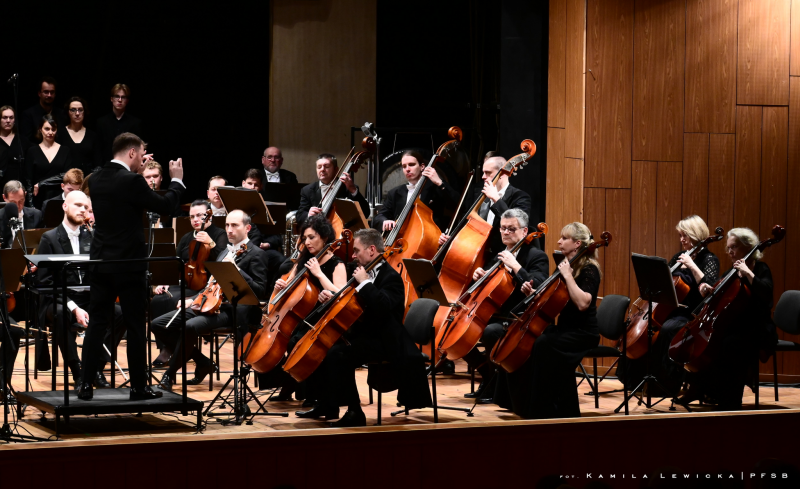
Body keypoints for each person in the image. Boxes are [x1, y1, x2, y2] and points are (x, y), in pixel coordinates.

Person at [77, 132, 185, 401]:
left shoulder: (97, 178)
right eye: (141, 154)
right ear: (133, 153)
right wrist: (177, 180)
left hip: (101, 264)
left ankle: (84, 385)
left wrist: (136, 165)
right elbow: (166, 205)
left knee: (97, 325)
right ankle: (138, 387)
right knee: (136, 326)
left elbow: (121, 175)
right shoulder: (133, 181)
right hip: (129, 265)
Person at [295, 228, 431, 427]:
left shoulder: (390, 277)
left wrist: (366, 284)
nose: (353, 255)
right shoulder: (362, 271)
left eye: (357, 250)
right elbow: (353, 303)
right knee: (324, 348)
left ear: (372, 250)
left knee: (339, 354)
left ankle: (354, 411)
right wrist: (332, 298)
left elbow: (383, 309)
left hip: (386, 340)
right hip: (366, 333)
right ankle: (327, 404)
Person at [153, 210, 270, 391]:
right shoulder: (224, 252)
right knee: (158, 324)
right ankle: (203, 361)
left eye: (234, 225)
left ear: (247, 228)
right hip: (209, 303)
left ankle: (169, 376)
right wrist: (191, 300)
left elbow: (260, 291)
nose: (229, 230)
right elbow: (210, 285)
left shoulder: (257, 254)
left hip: (232, 310)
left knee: (190, 326)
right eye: (227, 225)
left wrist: (237, 271)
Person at [679, 227, 776, 411]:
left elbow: (767, 295)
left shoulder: (760, 269)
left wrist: (747, 272)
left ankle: (730, 399)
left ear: (748, 248)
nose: (730, 251)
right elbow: (717, 294)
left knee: (731, 344)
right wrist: (707, 289)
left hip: (757, 327)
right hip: (733, 325)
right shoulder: (732, 271)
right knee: (712, 341)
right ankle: (702, 389)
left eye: (734, 247)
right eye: (729, 247)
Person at [458, 209, 549, 403]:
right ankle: (488, 376)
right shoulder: (499, 256)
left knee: (490, 332)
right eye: (503, 228)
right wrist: (481, 277)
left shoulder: (536, 255)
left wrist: (516, 267)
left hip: (517, 319)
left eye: (511, 229)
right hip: (494, 313)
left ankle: (495, 386)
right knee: (458, 331)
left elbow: (540, 285)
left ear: (524, 232)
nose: (506, 233)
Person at [622, 216, 720, 394]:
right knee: (644, 331)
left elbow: (709, 293)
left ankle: (665, 384)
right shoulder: (678, 257)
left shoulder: (709, 260)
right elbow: (664, 283)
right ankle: (634, 380)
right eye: (681, 235)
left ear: (696, 235)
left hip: (690, 313)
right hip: (668, 308)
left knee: (668, 329)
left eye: (685, 235)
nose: (682, 239)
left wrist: (692, 267)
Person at [36, 191, 125, 386]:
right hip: (60, 299)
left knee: (120, 313)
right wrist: (74, 307)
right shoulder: (49, 238)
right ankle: (77, 371)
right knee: (60, 315)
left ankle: (94, 369)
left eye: (86, 207)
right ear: (65, 206)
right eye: (78, 205)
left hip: (89, 297)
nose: (83, 210)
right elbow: (46, 282)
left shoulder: (92, 236)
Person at [515, 222, 601, 419]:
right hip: (565, 329)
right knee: (536, 340)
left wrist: (569, 277)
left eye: (564, 238)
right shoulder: (566, 264)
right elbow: (552, 296)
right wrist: (533, 293)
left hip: (583, 333)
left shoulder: (590, 269)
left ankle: (546, 410)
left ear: (577, 243)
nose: (559, 241)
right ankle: (545, 408)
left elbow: (582, 304)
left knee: (544, 344)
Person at [258, 215, 347, 401]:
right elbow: (281, 296)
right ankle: (287, 386)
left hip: (322, 318)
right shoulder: (302, 261)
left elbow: (341, 295)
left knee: (294, 341)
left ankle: (307, 393)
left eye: (312, 237)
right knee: (273, 340)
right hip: (299, 316)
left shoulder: (336, 264)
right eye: (304, 238)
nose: (307, 242)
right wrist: (277, 288)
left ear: (324, 237)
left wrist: (319, 274)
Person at [150, 199, 228, 365]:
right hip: (186, 283)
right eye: (192, 216)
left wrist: (210, 243)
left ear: (209, 216)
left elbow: (223, 261)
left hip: (206, 287)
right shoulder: (186, 237)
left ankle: (175, 348)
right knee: (158, 299)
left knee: (174, 300)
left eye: (200, 215)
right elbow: (176, 263)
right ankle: (166, 347)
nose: (195, 219)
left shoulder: (219, 234)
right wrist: (166, 282)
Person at [438, 152, 532, 255]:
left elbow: (516, 224)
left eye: (488, 173)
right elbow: (469, 224)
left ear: (503, 174)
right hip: (475, 252)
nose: (483, 177)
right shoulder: (479, 194)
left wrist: (496, 199)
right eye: (483, 172)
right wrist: (453, 239)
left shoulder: (520, 197)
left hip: (501, 256)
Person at [372, 149, 458, 232]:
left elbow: (457, 205)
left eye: (411, 164)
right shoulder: (395, 193)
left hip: (429, 238)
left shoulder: (434, 188)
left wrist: (440, 183)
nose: (407, 169)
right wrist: (384, 221)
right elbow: (379, 217)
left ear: (422, 167)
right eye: (404, 166)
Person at [296, 153, 369, 226]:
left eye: (326, 167)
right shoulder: (307, 190)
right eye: (319, 167)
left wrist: (353, 190)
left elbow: (365, 213)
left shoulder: (348, 188)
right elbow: (299, 216)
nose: (322, 170)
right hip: (317, 233)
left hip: (342, 232)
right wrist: (309, 215)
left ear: (336, 170)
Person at [27, 114, 73, 208]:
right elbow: (28, 181)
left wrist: (42, 183)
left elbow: (67, 176)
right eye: (47, 129)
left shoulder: (65, 150)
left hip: (60, 198)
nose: (50, 132)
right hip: (38, 199)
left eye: (53, 129)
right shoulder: (32, 151)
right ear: (40, 129)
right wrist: (31, 207)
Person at [96, 84, 143, 160]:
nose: (120, 100)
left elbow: (137, 147)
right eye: (117, 96)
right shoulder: (101, 122)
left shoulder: (135, 123)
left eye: (123, 97)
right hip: (107, 166)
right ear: (111, 99)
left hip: (127, 167)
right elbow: (98, 149)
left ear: (127, 101)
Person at [58, 97, 102, 175]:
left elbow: (98, 163)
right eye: (73, 110)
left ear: (84, 112)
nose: (77, 113)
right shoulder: (60, 134)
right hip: (66, 181)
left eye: (80, 110)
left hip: (87, 181)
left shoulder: (92, 136)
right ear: (68, 112)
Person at [19, 77, 67, 143]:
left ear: (55, 94)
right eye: (46, 92)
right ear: (39, 93)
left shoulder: (62, 114)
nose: (49, 95)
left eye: (52, 92)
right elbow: (26, 142)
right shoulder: (28, 114)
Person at [0, 180, 44, 249]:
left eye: (21, 201)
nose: (18, 206)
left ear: (25, 194)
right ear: (4, 198)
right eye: (13, 202)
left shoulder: (37, 215)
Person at [0, 105, 31, 189]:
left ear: (14, 120)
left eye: (11, 118)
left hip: (20, 187)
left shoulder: (22, 141)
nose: (8, 121)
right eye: (5, 117)